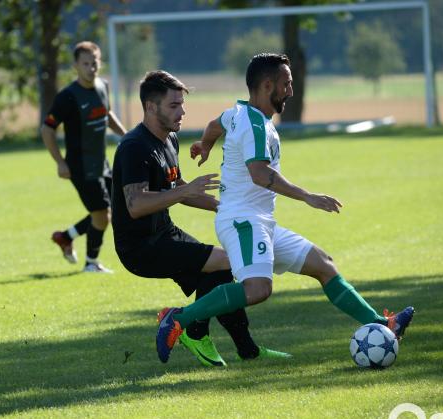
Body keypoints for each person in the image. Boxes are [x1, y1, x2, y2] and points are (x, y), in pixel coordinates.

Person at [155, 53, 414, 363]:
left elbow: (214, 124)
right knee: (257, 290)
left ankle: (382, 323)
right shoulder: (255, 126)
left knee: (323, 264)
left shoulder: (239, 112)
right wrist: (307, 196)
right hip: (243, 222)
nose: (291, 90)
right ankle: (178, 319)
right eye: (286, 84)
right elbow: (260, 174)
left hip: (259, 220)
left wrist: (206, 145)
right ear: (267, 85)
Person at [111, 70, 289, 367]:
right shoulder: (134, 147)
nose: (182, 112)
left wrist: (224, 206)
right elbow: (136, 205)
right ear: (151, 107)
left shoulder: (169, 140)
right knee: (226, 261)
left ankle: (245, 350)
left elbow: (178, 188)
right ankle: (193, 330)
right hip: (139, 247)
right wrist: (185, 192)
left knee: (220, 270)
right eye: (174, 106)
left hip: (165, 233)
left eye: (182, 104)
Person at [41, 41, 127, 273]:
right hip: (80, 167)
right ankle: (91, 263)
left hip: (102, 163)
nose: (91, 68)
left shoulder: (102, 86)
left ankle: (65, 237)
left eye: (95, 63)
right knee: (102, 216)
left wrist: (126, 136)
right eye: (86, 63)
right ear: (76, 66)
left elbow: (107, 113)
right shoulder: (67, 97)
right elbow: (47, 129)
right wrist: (60, 162)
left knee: (112, 210)